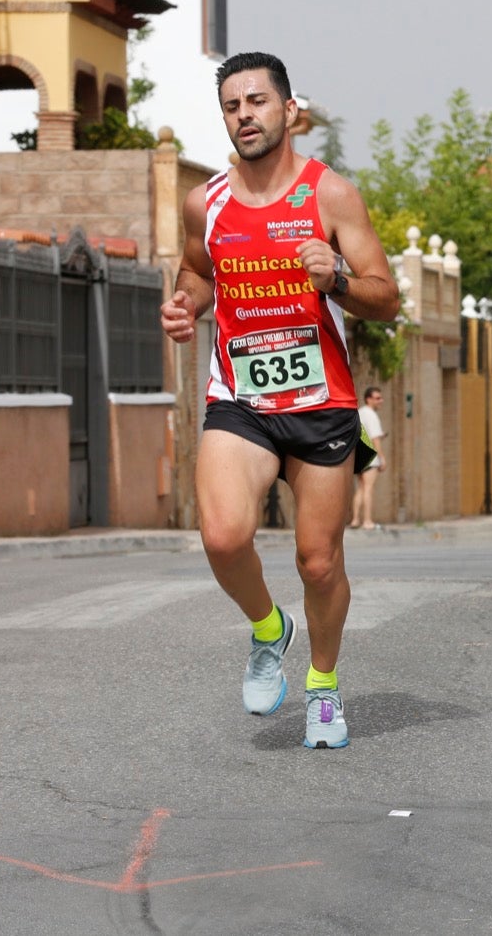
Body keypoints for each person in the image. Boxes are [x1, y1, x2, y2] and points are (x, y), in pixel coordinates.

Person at [159, 51, 400, 751]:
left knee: (318, 562)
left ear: (289, 111)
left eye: (257, 102)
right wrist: (185, 305)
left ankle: (323, 687)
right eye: (233, 106)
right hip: (241, 395)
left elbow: (387, 296)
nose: (245, 116)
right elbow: (197, 274)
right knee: (223, 535)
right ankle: (269, 629)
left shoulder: (330, 196)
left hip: (322, 401)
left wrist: (340, 282)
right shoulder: (205, 202)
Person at [352, 386, 385, 530]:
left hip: (359, 456)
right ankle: (367, 521)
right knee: (368, 488)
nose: (381, 401)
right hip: (371, 457)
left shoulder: (359, 413)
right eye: (377, 398)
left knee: (360, 488)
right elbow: (375, 438)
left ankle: (355, 520)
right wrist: (382, 457)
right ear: (368, 399)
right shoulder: (371, 415)